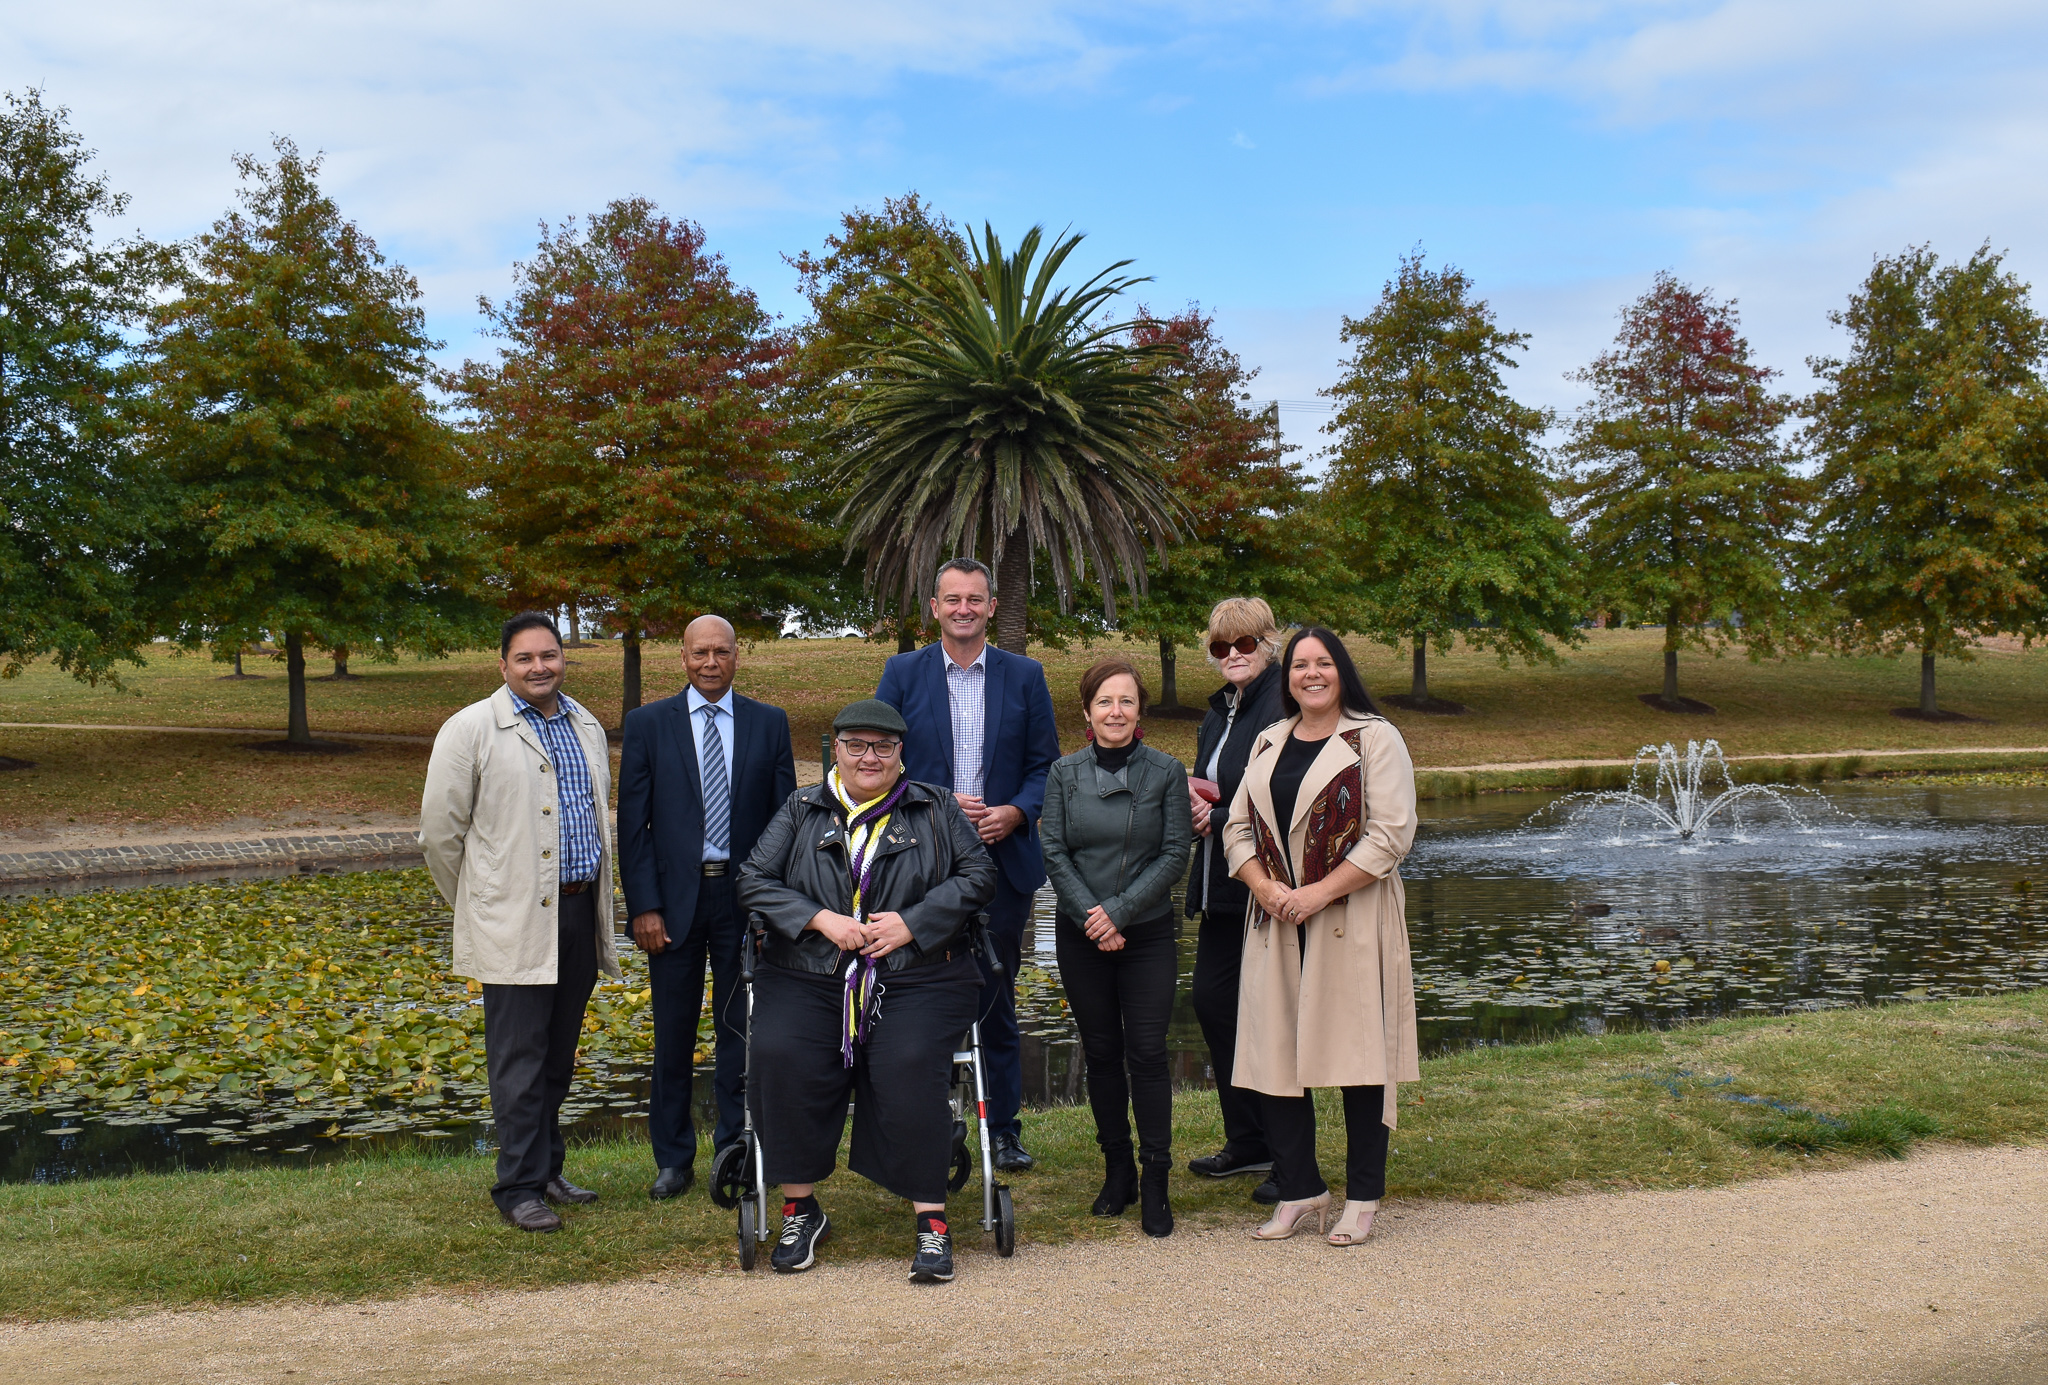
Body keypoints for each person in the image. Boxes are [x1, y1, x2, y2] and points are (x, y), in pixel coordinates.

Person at [737, 699, 998, 1282]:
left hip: (920, 973)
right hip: (810, 971)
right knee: (780, 1052)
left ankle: (931, 1221)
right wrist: (818, 919)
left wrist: (914, 921)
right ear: (838, 749)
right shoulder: (802, 808)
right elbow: (753, 879)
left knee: (908, 1060)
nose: (869, 757)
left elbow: (980, 876)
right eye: (856, 745)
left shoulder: (934, 808)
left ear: (901, 752)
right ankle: (800, 1208)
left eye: (883, 746)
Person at [420, 612, 621, 1233]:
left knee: (559, 1054)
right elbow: (439, 835)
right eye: (526, 658)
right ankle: (517, 1186)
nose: (540, 667)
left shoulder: (582, 722)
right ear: (502, 665)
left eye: (550, 655)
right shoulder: (471, 729)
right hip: (513, 920)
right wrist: (482, 908)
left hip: (578, 910)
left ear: (564, 659)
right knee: (519, 1058)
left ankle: (547, 1167)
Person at [1222, 626, 1418, 1247]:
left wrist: (1316, 893)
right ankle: (1300, 1186)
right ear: (1286, 677)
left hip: (1347, 919)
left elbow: (1389, 835)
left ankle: (1363, 1196)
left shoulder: (1374, 739)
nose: (1311, 674)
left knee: (1360, 1058)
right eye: (1300, 665)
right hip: (1276, 921)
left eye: (1323, 663)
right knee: (1275, 1054)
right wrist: (1264, 887)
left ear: (1342, 671)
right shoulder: (1268, 739)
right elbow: (1236, 829)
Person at [874, 556, 1059, 1172]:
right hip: (918, 868)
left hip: (1003, 865)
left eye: (974, 599)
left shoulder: (1025, 675)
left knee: (995, 994)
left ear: (990, 607)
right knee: (912, 997)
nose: (963, 609)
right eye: (952, 599)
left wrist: (1014, 813)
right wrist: (936, 802)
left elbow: (1044, 768)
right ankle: (915, 1124)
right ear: (934, 607)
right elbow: (877, 760)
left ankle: (1002, 1127)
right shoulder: (901, 673)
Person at [618, 614, 796, 1200]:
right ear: (684, 658)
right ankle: (673, 1159)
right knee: (672, 1034)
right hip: (672, 903)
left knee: (742, 1031)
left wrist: (776, 909)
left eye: (721, 651)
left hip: (746, 900)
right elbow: (635, 827)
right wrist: (643, 906)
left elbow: (785, 824)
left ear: (737, 656)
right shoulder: (648, 725)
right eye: (701, 653)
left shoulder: (768, 725)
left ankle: (735, 1147)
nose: (711, 662)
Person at [1040, 659, 1191, 1237]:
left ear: (1140, 712)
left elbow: (1176, 852)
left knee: (1148, 1054)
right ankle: (1117, 1171)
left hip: (1147, 932)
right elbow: (1054, 852)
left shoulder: (1167, 772)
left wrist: (1121, 912)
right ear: (1087, 711)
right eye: (1105, 702)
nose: (1116, 712)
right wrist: (1094, 918)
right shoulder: (1063, 774)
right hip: (1081, 935)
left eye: (1127, 702)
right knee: (1101, 1053)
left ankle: (1157, 1179)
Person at [1183, 597, 1290, 1205]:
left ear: (1267, 643)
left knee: (1269, 1015)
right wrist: (1202, 805)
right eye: (1221, 647)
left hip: (1270, 881)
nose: (1232, 656)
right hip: (1223, 881)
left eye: (1244, 645)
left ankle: (1285, 1150)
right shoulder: (1221, 711)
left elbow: (1283, 792)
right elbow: (1221, 787)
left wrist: (1216, 811)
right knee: (1215, 1002)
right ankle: (1247, 1139)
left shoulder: (1281, 704)